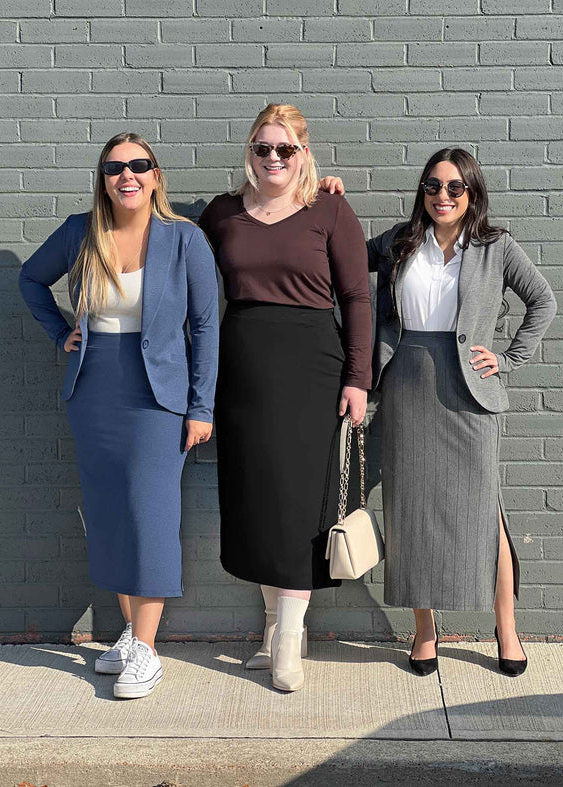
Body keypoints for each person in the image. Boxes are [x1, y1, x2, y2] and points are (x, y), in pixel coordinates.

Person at [322, 148, 556, 676]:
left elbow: (542, 300)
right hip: (406, 384)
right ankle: (425, 631)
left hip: (468, 391)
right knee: (411, 511)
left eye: (454, 187)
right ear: (422, 192)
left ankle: (507, 627)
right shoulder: (400, 243)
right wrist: (331, 203)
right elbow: (342, 263)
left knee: (484, 512)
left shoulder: (496, 246)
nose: (442, 196)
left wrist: (507, 359)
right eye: (433, 186)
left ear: (471, 192)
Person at [19, 133, 218, 698]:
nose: (126, 175)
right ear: (103, 177)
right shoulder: (81, 232)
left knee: (149, 515)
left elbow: (205, 329)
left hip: (158, 394)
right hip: (94, 386)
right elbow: (31, 279)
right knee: (109, 516)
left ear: (156, 175)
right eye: (114, 167)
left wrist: (200, 406)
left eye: (138, 165)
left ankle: (148, 651)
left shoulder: (185, 240)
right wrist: (62, 333)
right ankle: (132, 637)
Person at [198, 104, 372, 692]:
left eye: (285, 149)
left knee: (299, 505)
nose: (273, 159)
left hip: (312, 370)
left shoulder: (329, 207)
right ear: (248, 151)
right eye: (262, 149)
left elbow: (356, 298)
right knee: (258, 501)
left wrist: (358, 377)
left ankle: (291, 643)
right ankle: (273, 629)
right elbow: (185, 280)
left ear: (303, 151)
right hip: (243, 368)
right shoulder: (220, 214)